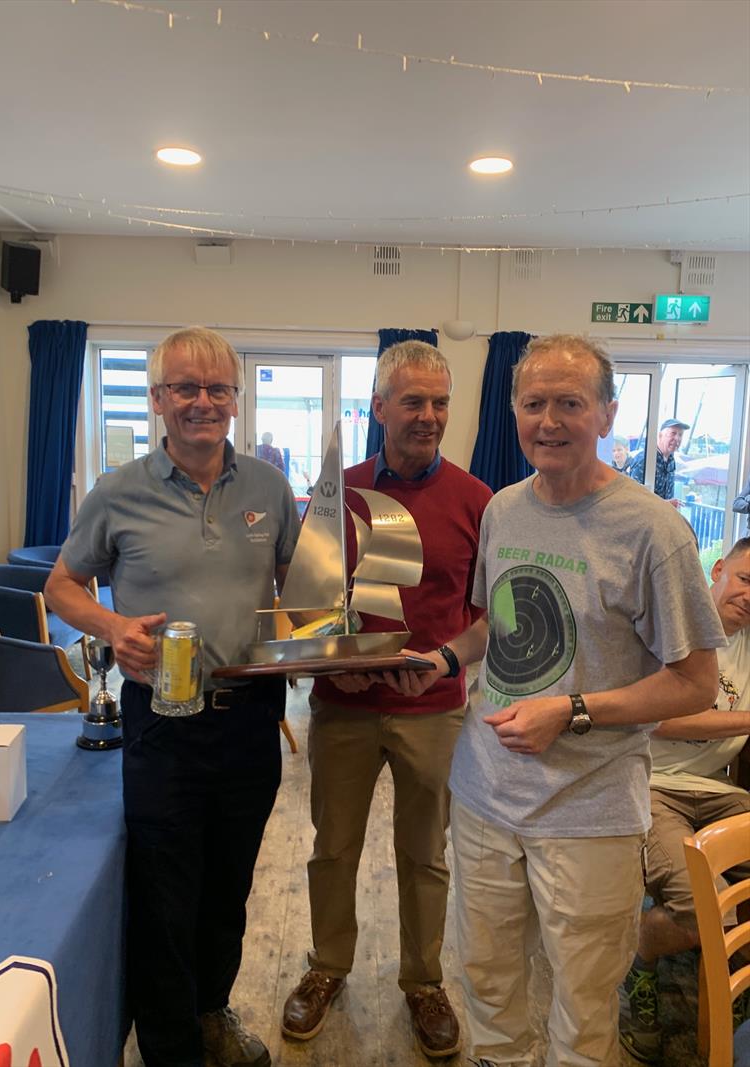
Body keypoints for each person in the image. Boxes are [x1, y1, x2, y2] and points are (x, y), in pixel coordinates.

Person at [382, 335, 725, 1066]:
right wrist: (445, 657)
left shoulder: (654, 530)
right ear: (514, 411)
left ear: (607, 411)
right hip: (483, 797)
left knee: (582, 1013)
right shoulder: (504, 509)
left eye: (570, 402)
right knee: (491, 991)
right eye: (533, 403)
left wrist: (570, 711)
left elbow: (695, 679)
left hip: (589, 812)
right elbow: (495, 622)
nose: (549, 420)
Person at [45, 327, 301, 1067]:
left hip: (250, 717)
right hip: (161, 720)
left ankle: (210, 1012)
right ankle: (170, 1047)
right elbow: (61, 584)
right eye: (185, 388)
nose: (202, 402)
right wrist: (113, 626)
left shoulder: (268, 486)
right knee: (164, 891)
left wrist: (324, 637)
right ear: (156, 398)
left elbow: (303, 593)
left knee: (228, 884)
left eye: (217, 388)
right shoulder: (118, 491)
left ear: (235, 397)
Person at [280, 340, 493, 1058]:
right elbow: (303, 611)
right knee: (333, 848)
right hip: (343, 710)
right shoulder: (334, 496)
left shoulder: (477, 499)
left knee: (425, 853)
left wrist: (442, 660)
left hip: (434, 710)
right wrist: (319, 665)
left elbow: (492, 616)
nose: (429, 415)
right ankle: (326, 967)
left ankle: (423, 981)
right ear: (378, 408)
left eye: (440, 402)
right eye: (413, 401)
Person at [619, 537, 750, 1064]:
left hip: (718, 792)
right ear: (717, 570)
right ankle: (641, 962)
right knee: (706, 909)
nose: (749, 595)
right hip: (651, 787)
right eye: (745, 579)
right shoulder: (673, 629)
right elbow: (660, 717)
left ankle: (727, 986)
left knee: (733, 905)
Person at [630, 417, 690, 506]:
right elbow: (633, 498)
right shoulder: (645, 460)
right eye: (673, 433)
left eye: (680, 435)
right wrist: (665, 504)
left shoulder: (671, 460)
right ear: (660, 435)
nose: (677, 438)